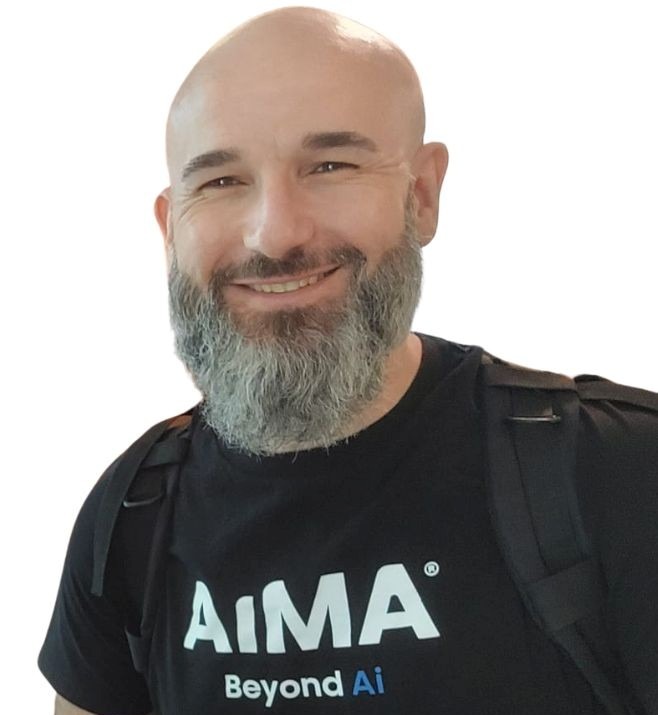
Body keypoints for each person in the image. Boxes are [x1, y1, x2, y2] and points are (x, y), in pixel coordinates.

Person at [39, 6, 658, 715]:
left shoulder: (619, 473)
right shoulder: (129, 516)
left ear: (421, 195)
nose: (274, 233)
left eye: (331, 165)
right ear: (169, 225)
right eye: (221, 181)